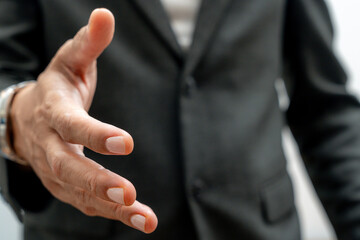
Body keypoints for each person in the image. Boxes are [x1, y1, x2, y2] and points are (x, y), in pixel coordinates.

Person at [0, 0, 359, 239]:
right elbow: (6, 71)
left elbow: (324, 107)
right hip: (91, 227)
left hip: (257, 228)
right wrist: (15, 116)